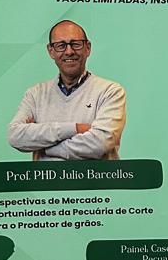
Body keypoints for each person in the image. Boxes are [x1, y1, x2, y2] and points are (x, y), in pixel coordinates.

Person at [7, 20, 126, 160]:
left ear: (87, 48)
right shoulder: (35, 94)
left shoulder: (110, 91)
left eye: (75, 44)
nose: (69, 51)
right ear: (51, 51)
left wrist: (44, 146)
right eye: (61, 46)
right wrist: (75, 128)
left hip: (96, 175)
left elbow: (100, 143)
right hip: (47, 176)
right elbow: (15, 136)